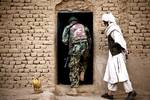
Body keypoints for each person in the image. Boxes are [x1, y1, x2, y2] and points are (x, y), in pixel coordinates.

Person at [101, 12, 137, 100]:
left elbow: (120, 42)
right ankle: (110, 94)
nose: (104, 24)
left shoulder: (113, 30)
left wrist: (124, 52)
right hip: (113, 55)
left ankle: (131, 92)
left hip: (117, 55)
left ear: (108, 22)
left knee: (122, 74)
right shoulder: (111, 29)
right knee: (112, 73)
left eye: (104, 22)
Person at [62, 17, 91, 95]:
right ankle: (83, 71)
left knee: (73, 67)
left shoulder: (69, 28)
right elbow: (89, 39)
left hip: (76, 49)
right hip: (85, 48)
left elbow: (64, 41)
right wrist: (88, 50)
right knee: (85, 60)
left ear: (70, 22)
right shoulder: (84, 27)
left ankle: (74, 90)